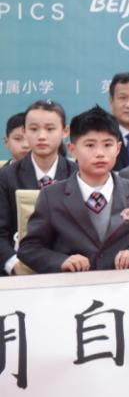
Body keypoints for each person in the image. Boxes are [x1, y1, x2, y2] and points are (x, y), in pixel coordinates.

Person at [19, 106, 129, 273]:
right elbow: (29, 248)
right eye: (90, 145)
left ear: (118, 148)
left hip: (123, 282)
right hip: (72, 283)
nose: (100, 153)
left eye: (107, 145)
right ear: (72, 150)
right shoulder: (51, 196)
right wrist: (61, 261)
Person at [0, 100, 77, 276]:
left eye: (50, 129)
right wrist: (14, 265)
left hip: (70, 270)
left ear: (65, 131)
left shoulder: (78, 174)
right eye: (34, 129)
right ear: (25, 131)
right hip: (17, 273)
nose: (42, 136)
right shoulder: (5, 177)